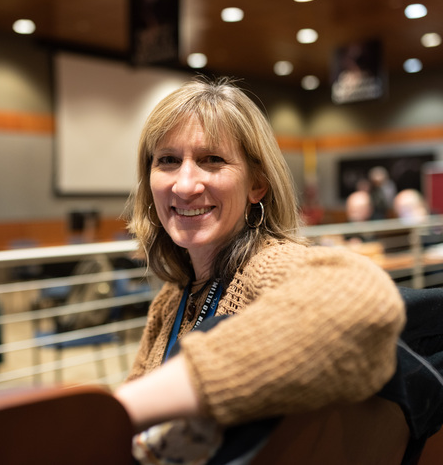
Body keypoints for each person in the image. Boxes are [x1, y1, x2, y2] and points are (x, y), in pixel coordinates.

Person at [114, 77, 405, 463]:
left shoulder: (266, 265)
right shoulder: (169, 302)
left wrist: (131, 404)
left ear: (257, 185)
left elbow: (364, 299)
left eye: (212, 160)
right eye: (167, 160)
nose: (184, 185)